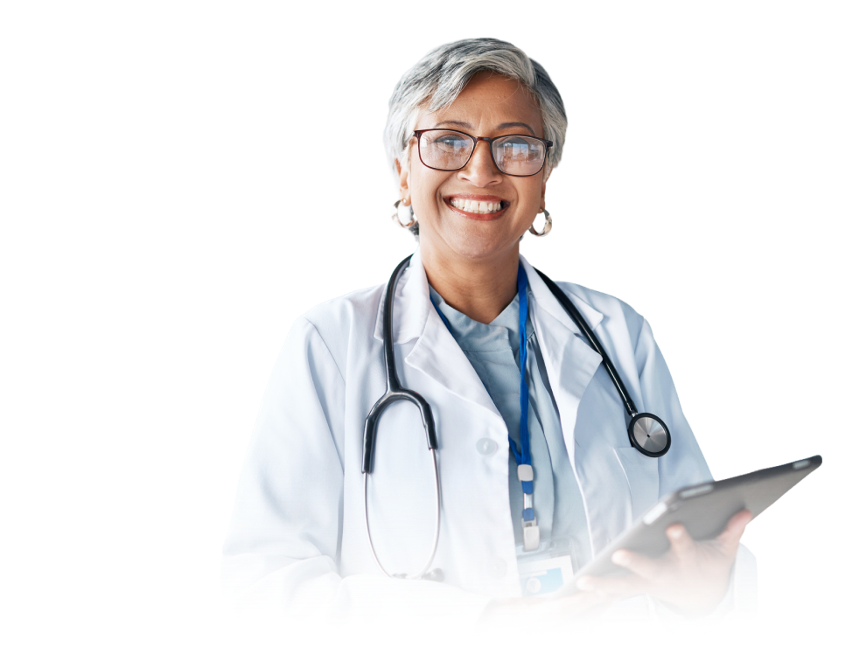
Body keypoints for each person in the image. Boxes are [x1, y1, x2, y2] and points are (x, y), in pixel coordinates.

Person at [219, 37, 757, 635]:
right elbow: (265, 591)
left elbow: (695, 552)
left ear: (546, 173)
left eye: (516, 145)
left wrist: (703, 596)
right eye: (447, 141)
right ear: (401, 169)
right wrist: (477, 620)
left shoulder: (618, 332)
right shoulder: (328, 343)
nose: (481, 171)